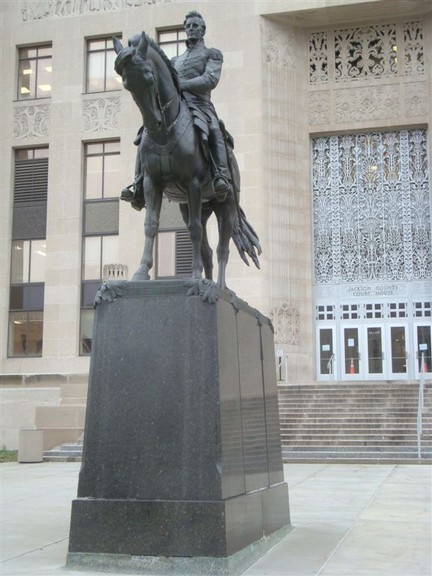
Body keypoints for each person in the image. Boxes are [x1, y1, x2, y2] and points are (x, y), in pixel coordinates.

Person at [121, 10, 231, 209]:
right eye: (188, 26)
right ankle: (137, 183)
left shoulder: (211, 54)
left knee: (214, 128)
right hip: (176, 107)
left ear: (203, 30)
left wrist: (183, 85)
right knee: (145, 132)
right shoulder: (175, 61)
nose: (191, 29)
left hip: (200, 104)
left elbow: (210, 79)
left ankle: (220, 175)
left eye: (195, 26)